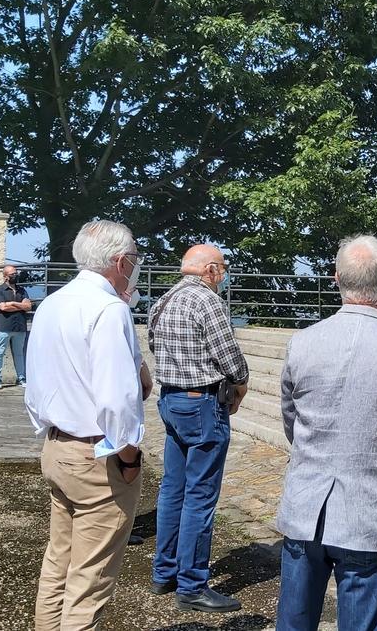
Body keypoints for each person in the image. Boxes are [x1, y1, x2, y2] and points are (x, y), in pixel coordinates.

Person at [275, 235, 377, 631]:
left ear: (336, 279)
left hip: (305, 504)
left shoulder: (302, 343)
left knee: (294, 621)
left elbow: (290, 418)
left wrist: (315, 453)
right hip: (370, 508)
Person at [24, 220, 148, 630]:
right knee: (89, 583)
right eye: (132, 259)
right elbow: (117, 400)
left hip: (57, 445)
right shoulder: (108, 309)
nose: (134, 266)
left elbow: (35, 384)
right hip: (96, 454)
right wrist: (129, 456)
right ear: (118, 261)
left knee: (58, 563)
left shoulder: (52, 302)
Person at [148, 244, 250, 613]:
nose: (223, 276)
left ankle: (164, 572)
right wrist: (242, 381)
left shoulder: (163, 301)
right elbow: (229, 357)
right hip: (202, 403)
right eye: (221, 269)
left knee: (172, 489)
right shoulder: (207, 302)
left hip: (171, 400)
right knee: (200, 497)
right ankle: (192, 584)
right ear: (209, 269)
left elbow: (153, 344)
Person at [0, 265, 32, 389]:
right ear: (5, 277)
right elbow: (3, 307)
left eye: (15, 273)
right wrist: (20, 305)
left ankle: (21, 377)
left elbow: (28, 306)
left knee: (19, 353)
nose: (15, 276)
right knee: (0, 352)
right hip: (4, 326)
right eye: (12, 274)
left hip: (19, 327)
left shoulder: (22, 290)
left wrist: (13, 303)